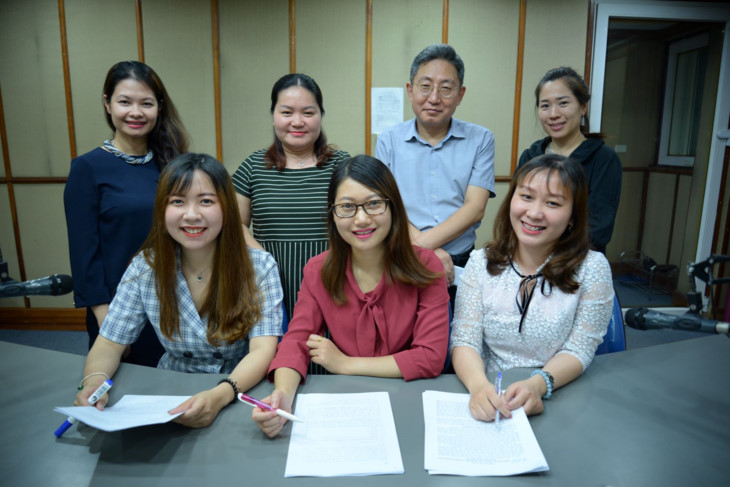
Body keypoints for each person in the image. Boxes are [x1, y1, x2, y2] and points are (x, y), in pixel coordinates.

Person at [74, 153, 284, 428]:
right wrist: (93, 381)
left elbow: (262, 350)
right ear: (162, 208)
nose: (191, 215)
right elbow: (110, 343)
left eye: (206, 201)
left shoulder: (260, 266)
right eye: (177, 201)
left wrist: (219, 395)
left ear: (226, 207)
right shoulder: (145, 267)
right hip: (171, 390)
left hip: (240, 389)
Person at [252, 155, 450, 438]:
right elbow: (295, 341)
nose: (361, 219)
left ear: (393, 206)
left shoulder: (427, 265)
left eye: (374, 204)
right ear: (332, 213)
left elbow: (430, 358)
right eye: (347, 207)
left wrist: (344, 363)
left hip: (410, 397)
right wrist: (282, 395)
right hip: (346, 403)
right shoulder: (318, 270)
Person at [451, 154, 614, 421]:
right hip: (491, 392)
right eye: (526, 197)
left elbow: (580, 347)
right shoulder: (480, 262)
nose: (535, 213)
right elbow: (464, 340)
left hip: (561, 391)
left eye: (553, 203)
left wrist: (538, 385)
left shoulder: (593, 268)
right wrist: (479, 386)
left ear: (572, 217)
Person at [64, 61, 189, 366]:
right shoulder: (87, 168)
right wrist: (107, 318)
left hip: (176, 302)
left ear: (159, 108)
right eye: (125, 102)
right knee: (126, 386)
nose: (136, 112)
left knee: (177, 385)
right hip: (120, 307)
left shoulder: (173, 163)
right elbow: (83, 253)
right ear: (108, 104)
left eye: (146, 103)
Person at [376, 44, 495, 308]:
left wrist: (422, 247)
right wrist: (426, 252)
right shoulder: (388, 141)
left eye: (446, 88)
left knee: (458, 331)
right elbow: (386, 206)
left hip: (459, 262)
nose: (434, 98)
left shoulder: (481, 139)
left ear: (460, 94)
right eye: (425, 86)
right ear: (410, 90)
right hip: (403, 259)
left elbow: (475, 208)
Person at [232, 73, 349, 323]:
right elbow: (234, 223)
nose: (297, 122)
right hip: (270, 288)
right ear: (273, 115)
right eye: (287, 112)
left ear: (320, 115)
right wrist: (265, 262)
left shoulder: (341, 165)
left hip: (335, 284)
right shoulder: (253, 166)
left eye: (308, 113)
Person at [518, 66, 622, 254]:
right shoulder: (530, 156)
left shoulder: (604, 159)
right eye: (545, 106)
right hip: (529, 256)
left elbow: (598, 228)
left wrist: (551, 257)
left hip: (577, 259)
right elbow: (518, 212)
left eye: (563, 103)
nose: (553, 114)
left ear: (583, 107)